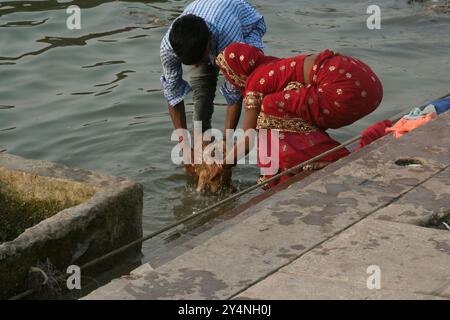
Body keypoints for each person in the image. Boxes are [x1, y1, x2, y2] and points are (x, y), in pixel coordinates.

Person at [213, 42, 383, 188]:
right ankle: (307, 160)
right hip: (365, 81)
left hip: (342, 87)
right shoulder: (271, 66)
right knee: (284, 104)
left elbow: (248, 139)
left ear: (236, 72)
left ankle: (325, 159)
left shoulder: (256, 82)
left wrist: (222, 165)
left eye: (229, 76)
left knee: (268, 108)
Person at [160, 0, 266, 174]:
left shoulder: (230, 38)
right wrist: (185, 149)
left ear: (209, 40)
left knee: (251, 86)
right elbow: (173, 95)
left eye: (201, 59)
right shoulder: (168, 48)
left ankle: (223, 157)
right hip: (203, 36)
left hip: (243, 29)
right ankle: (203, 155)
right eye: (193, 63)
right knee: (202, 95)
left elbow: (234, 94)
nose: (200, 65)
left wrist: (227, 145)